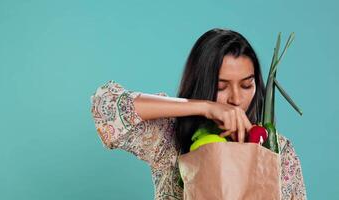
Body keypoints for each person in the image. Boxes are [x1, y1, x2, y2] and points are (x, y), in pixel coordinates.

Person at [90, 28, 307, 200]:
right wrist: (204, 106)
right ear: (201, 84)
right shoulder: (170, 138)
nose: (236, 99)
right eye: (221, 87)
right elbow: (105, 106)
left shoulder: (277, 151)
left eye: (246, 85)